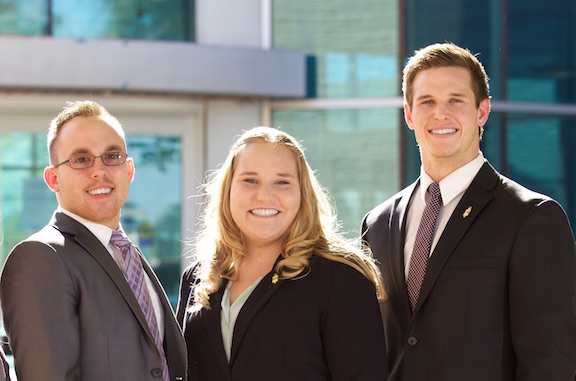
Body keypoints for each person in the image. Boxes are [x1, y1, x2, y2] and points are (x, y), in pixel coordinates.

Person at [361, 42, 576, 380]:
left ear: (482, 111)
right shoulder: (378, 224)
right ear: (409, 114)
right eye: (427, 101)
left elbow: (551, 363)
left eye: (455, 101)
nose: (440, 114)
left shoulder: (532, 218)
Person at [176, 126, 387, 380]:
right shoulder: (197, 278)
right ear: (228, 189)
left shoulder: (341, 279)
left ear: (302, 193)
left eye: (282, 182)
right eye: (250, 180)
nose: (265, 195)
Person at [0, 100, 187, 381]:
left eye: (112, 156)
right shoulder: (40, 258)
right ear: (53, 180)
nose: (99, 171)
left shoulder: (129, 255)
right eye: (81, 159)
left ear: (129, 171)